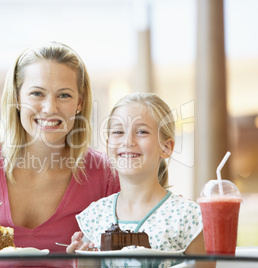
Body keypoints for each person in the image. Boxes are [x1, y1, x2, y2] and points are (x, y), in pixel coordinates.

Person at [0, 42, 120, 253]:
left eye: (64, 95)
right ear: (17, 98)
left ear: (80, 102)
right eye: (37, 94)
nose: (50, 108)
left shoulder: (106, 176)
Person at [66, 92, 206, 255]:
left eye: (141, 132)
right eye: (118, 132)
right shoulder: (94, 217)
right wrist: (83, 260)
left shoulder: (188, 216)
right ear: (108, 144)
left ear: (166, 147)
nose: (127, 141)